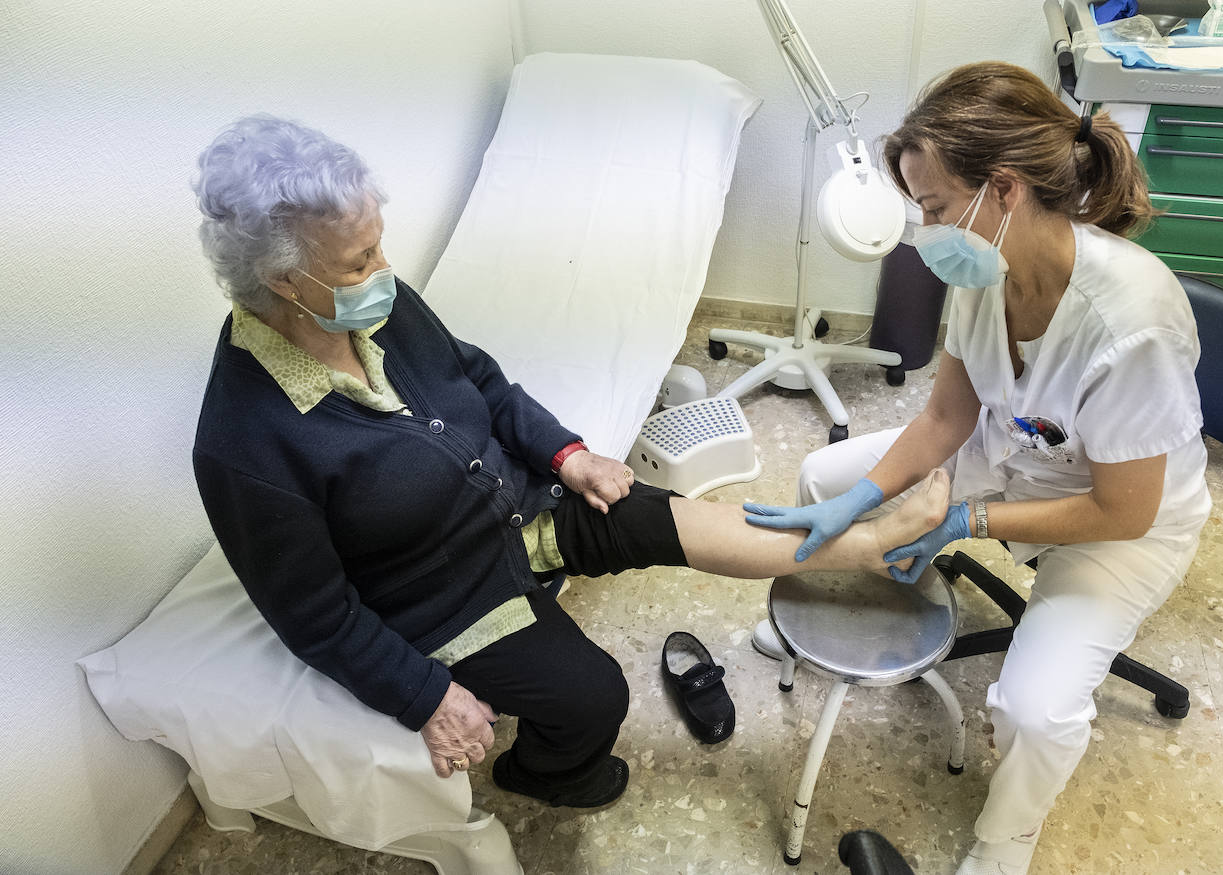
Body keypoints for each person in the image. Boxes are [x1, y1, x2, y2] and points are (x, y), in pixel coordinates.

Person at [189, 114, 952, 811]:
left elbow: (479, 380)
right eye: (360, 260)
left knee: (682, 521)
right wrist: (426, 696)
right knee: (593, 698)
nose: (384, 268)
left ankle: (866, 547)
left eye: (379, 244)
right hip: (442, 603)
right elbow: (318, 621)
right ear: (286, 281)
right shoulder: (244, 442)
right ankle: (547, 775)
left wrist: (569, 453)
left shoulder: (375, 304)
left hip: (522, 505)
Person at [744, 63, 1211, 874]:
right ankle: (813, 628)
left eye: (931, 207)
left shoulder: (1134, 324)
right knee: (824, 476)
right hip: (1012, 455)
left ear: (1003, 190)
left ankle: (1005, 844)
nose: (923, 231)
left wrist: (962, 520)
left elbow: (1120, 511)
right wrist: (860, 498)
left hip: (1120, 523)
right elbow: (948, 418)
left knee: (1034, 709)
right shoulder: (984, 271)